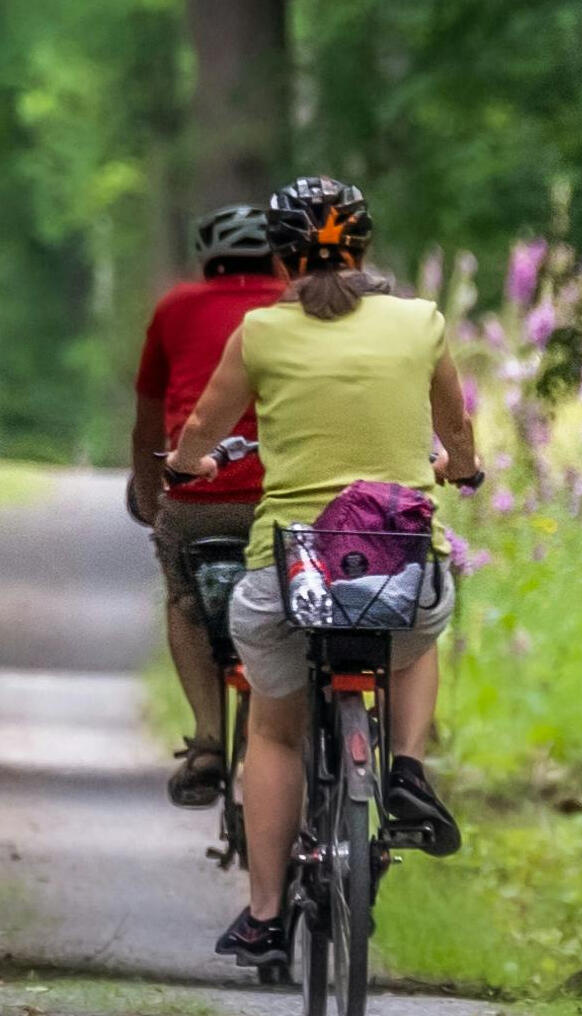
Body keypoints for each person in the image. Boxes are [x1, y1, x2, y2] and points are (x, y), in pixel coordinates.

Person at [163, 175, 481, 966]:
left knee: (271, 731)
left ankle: (266, 914)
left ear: (280, 258)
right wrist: (460, 466)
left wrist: (187, 464)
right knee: (418, 629)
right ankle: (405, 769)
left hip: (293, 565)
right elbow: (456, 429)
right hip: (396, 560)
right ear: (366, 246)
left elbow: (203, 428)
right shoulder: (420, 323)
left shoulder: (261, 332)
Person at [131, 203, 285, 808]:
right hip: (286, 495)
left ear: (208, 256)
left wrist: (152, 500)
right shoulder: (297, 307)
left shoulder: (175, 308)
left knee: (186, 600)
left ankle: (209, 743)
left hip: (200, 499)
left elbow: (150, 419)